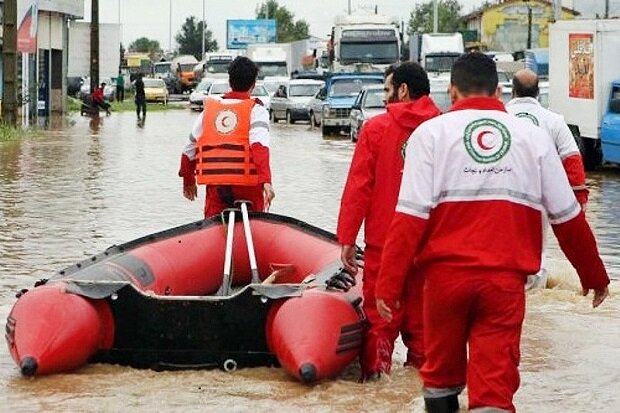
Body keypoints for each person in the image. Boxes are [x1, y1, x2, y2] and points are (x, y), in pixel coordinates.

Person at [375, 53, 609, 412]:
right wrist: (593, 274)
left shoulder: (430, 134)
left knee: (439, 379)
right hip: (504, 284)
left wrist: (388, 286)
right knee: (494, 388)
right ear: (499, 91)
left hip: (443, 283)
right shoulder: (533, 137)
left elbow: (409, 218)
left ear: (451, 92)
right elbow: (568, 216)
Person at [336, 62, 441, 381]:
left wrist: (347, 238)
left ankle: (376, 387)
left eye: (387, 90)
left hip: (385, 245)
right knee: (425, 332)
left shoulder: (376, 129)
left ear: (403, 90)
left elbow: (359, 187)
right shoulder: (444, 129)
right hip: (432, 248)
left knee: (379, 326)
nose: (384, 98)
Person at [506, 69, 589, 289]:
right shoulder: (554, 121)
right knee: (536, 250)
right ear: (538, 93)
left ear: (512, 91)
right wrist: (579, 200)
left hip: (499, 192)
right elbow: (572, 160)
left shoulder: (499, 117)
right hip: (538, 197)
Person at [179, 56, 275, 218]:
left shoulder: (208, 111)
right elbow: (259, 147)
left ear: (229, 82)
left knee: (213, 228)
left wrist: (188, 180)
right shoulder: (257, 110)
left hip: (217, 186)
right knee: (254, 228)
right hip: (248, 187)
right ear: (253, 84)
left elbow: (189, 150)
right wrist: (266, 181)